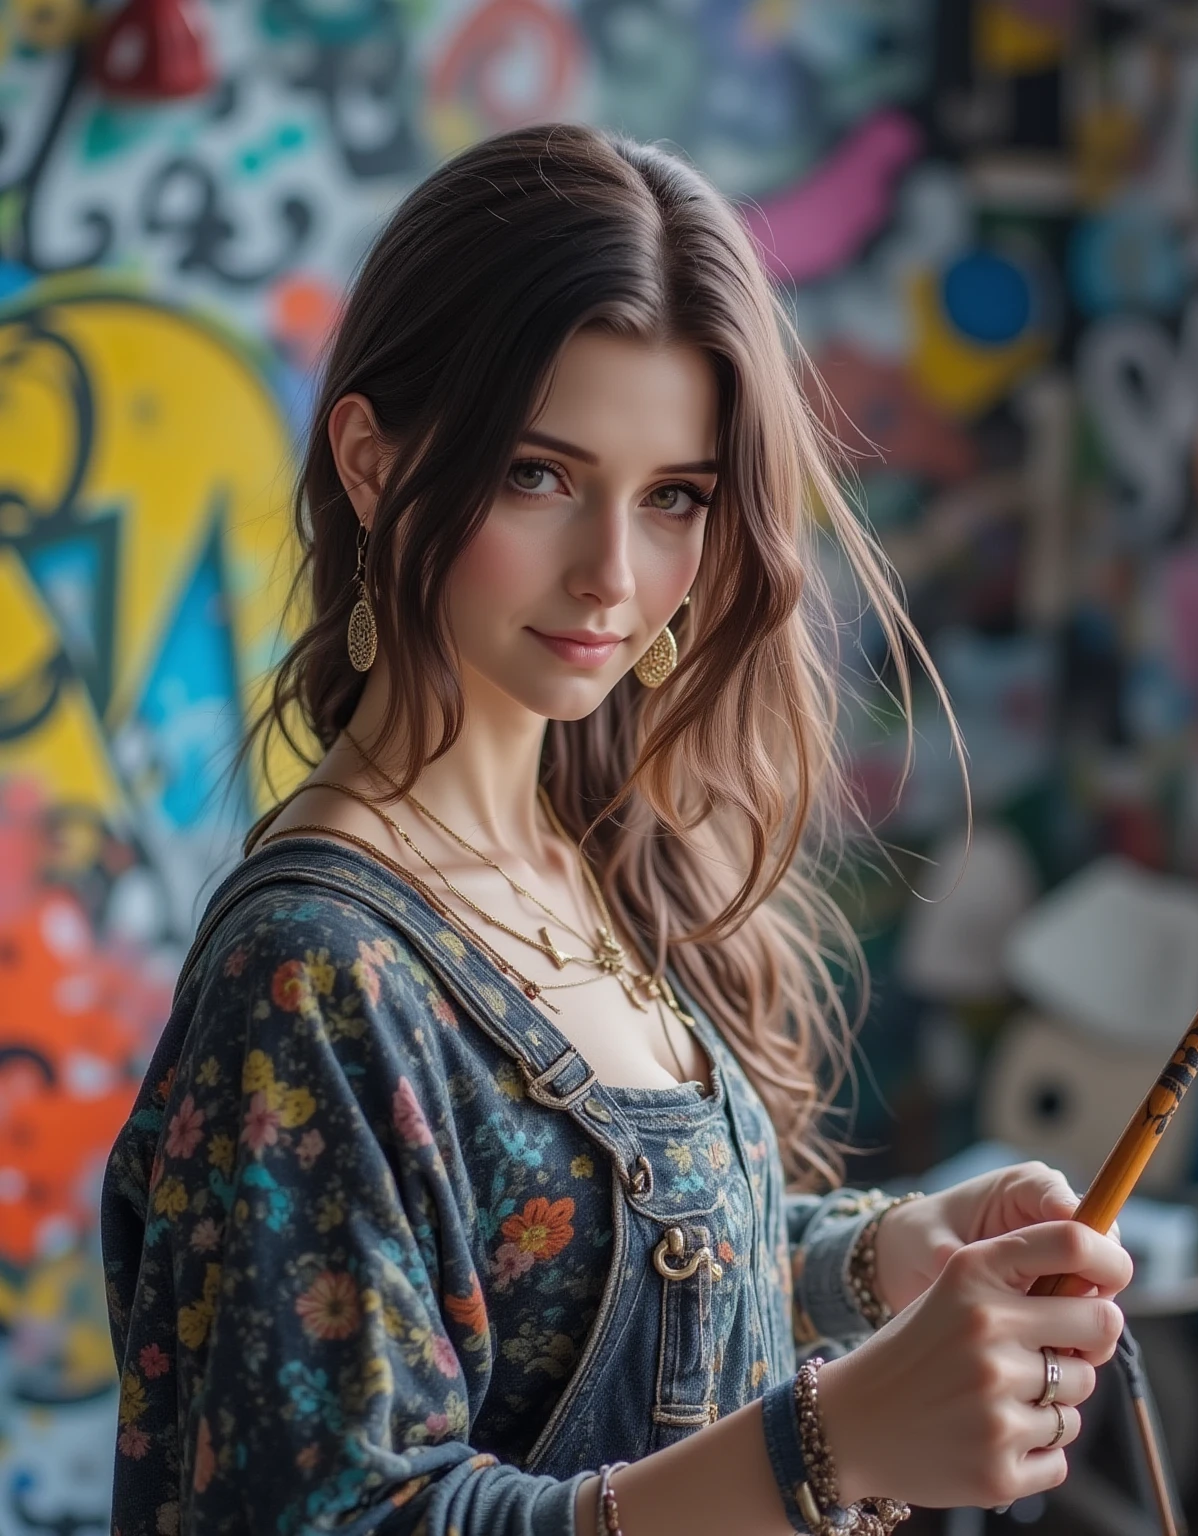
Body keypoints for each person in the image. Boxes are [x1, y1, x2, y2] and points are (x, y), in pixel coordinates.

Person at [100, 123, 1130, 1536]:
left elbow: (591, 1290)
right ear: (372, 463)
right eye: (539, 475)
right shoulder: (318, 973)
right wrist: (824, 1448)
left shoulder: (588, 855)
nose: (612, 574)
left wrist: (879, 1255)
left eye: (673, 499)